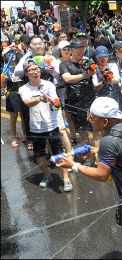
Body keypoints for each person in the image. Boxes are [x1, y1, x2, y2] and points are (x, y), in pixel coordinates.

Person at [56, 97, 122, 259]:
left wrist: (73, 165)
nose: (89, 119)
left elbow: (102, 175)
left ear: (106, 121)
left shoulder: (109, 141)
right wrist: (98, 154)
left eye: (93, 118)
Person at [18, 59, 71, 191]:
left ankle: (66, 178)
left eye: (36, 69)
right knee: (39, 154)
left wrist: (54, 102)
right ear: (26, 73)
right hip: (36, 127)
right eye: (31, 70)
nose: (35, 72)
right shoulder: (23, 88)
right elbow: (27, 102)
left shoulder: (49, 85)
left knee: (59, 154)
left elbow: (55, 104)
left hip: (52, 125)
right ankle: (47, 175)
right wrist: (39, 98)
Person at [60, 40, 96, 147]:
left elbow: (95, 71)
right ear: (71, 50)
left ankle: (96, 155)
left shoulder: (87, 61)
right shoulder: (65, 64)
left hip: (90, 99)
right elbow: (67, 78)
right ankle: (87, 155)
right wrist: (83, 76)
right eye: (78, 50)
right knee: (83, 131)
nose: (81, 52)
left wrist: (93, 69)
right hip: (76, 102)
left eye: (82, 50)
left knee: (95, 129)